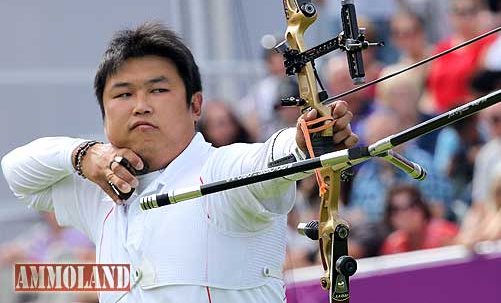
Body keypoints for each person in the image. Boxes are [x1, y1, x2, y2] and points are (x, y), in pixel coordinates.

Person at [1, 24, 358, 303]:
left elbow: (267, 159)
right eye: (124, 94)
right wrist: (84, 155)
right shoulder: (100, 190)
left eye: (158, 90)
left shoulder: (222, 169)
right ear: (104, 112)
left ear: (195, 105)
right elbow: (16, 170)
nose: (141, 105)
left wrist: (305, 140)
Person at [426, 0, 496, 113]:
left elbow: (483, 86)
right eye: (459, 12)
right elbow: (431, 88)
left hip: (470, 114)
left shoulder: (489, 42)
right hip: (440, 114)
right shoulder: (442, 48)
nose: (465, 18)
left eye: (470, 12)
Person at [379, 184, 458, 254]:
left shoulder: (444, 235)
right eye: (396, 209)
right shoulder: (392, 245)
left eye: (411, 205)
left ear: (422, 207)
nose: (405, 214)